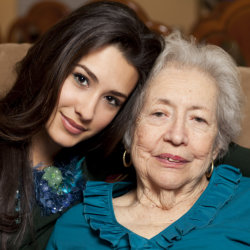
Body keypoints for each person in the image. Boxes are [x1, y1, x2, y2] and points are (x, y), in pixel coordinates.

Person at [47, 31, 250, 249]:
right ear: (129, 128)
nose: (176, 136)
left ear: (218, 144)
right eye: (159, 114)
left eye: (198, 119)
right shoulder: (76, 226)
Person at [0, 1, 163, 249]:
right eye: (81, 79)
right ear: (53, 60)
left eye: (111, 99)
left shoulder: (108, 163)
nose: (86, 112)